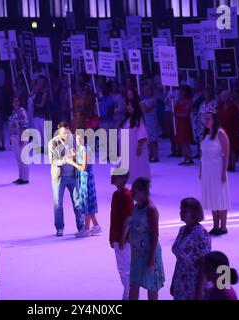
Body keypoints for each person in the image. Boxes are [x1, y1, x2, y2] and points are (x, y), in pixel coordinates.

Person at [122, 177, 165, 300]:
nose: (132, 193)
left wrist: (151, 257)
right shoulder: (136, 207)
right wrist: (122, 238)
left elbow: (155, 234)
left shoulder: (151, 210)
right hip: (137, 254)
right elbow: (130, 222)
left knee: (151, 286)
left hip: (149, 253)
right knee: (134, 284)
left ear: (142, 192)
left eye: (134, 191)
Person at [171, 198, 211, 300]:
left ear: (194, 213)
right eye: (181, 209)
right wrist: (173, 281)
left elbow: (205, 264)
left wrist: (200, 290)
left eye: (185, 210)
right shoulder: (182, 229)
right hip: (180, 281)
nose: (181, 212)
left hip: (193, 283)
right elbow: (179, 259)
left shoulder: (200, 233)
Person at [48, 122, 84, 237]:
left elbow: (80, 154)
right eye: (63, 133)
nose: (66, 135)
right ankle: (59, 228)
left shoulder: (74, 139)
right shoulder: (53, 143)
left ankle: (81, 226)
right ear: (59, 132)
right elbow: (52, 161)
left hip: (73, 176)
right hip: (59, 177)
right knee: (58, 204)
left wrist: (77, 156)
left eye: (67, 132)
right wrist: (65, 160)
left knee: (77, 203)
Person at [200, 112, 231, 236]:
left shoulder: (221, 133)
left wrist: (224, 171)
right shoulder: (206, 134)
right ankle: (215, 225)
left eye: (208, 118)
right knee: (212, 197)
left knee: (220, 196)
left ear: (214, 120)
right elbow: (203, 155)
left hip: (217, 168)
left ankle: (223, 226)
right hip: (207, 169)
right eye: (205, 119)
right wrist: (201, 170)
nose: (206, 121)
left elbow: (226, 154)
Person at [66, 130, 101, 237]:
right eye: (76, 138)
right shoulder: (80, 149)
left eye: (80, 138)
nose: (78, 140)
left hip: (86, 179)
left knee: (86, 202)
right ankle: (96, 225)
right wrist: (74, 155)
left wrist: (72, 162)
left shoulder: (86, 149)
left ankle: (86, 229)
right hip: (82, 178)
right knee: (86, 202)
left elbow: (83, 167)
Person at [110, 172, 134, 300]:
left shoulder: (126, 195)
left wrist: (122, 238)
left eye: (115, 176)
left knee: (125, 269)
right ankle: (127, 294)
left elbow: (129, 218)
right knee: (122, 268)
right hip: (118, 236)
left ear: (123, 178)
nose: (112, 177)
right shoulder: (116, 194)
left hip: (123, 238)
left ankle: (129, 295)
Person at [120, 89, 150, 183]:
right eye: (127, 105)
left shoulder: (139, 119)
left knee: (138, 166)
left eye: (131, 106)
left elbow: (142, 134)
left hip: (135, 148)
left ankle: (140, 184)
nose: (128, 107)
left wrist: (140, 146)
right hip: (127, 150)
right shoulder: (126, 119)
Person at [217, 90, 239, 172]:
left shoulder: (233, 107)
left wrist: (238, 130)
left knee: (232, 148)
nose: (224, 98)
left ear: (228, 97)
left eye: (225, 96)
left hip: (232, 130)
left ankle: (232, 165)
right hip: (222, 130)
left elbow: (238, 120)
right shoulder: (219, 107)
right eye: (222, 97)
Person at [9, 96, 29, 185]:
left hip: (20, 136)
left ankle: (25, 178)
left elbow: (23, 125)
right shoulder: (14, 112)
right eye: (14, 101)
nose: (15, 102)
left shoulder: (22, 111)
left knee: (22, 158)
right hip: (14, 136)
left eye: (17, 101)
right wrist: (10, 137)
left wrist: (21, 137)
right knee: (17, 158)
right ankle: (21, 176)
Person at [173, 85, 194, 166]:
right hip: (179, 123)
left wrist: (176, 115)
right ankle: (185, 158)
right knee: (182, 142)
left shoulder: (188, 101)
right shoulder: (178, 101)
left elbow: (186, 114)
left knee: (185, 142)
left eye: (182, 91)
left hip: (185, 124)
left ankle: (189, 158)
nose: (180, 92)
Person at [195, 86, 216, 158]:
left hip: (210, 129)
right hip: (201, 129)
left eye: (207, 92)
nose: (206, 94)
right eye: (205, 92)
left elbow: (215, 116)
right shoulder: (202, 104)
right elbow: (199, 116)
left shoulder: (214, 103)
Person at [141, 81, 159, 162]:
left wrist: (142, 103)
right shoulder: (143, 100)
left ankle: (155, 156)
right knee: (147, 140)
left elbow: (147, 109)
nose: (146, 92)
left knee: (153, 140)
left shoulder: (153, 100)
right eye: (145, 90)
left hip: (152, 122)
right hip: (145, 122)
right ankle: (149, 155)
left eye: (148, 90)